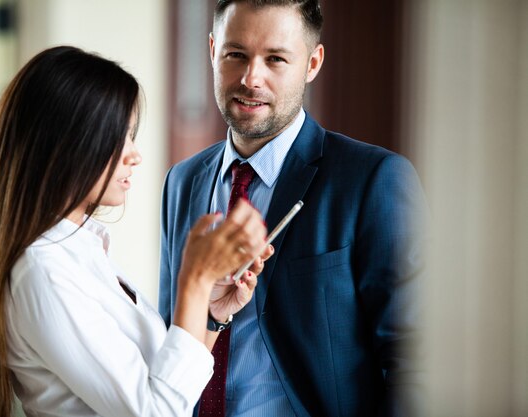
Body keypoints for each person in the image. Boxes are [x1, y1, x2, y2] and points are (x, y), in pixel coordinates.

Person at [0, 46, 271, 417]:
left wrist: (211, 313)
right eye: (121, 136)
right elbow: (154, 412)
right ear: (66, 144)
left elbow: (167, 388)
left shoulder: (82, 250)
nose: (135, 155)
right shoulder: (43, 271)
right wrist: (193, 279)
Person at [159, 1, 428, 416]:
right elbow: (171, 334)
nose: (252, 78)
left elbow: (413, 359)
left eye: (276, 59)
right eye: (236, 55)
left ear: (312, 63)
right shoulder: (182, 181)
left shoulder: (373, 179)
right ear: (212, 50)